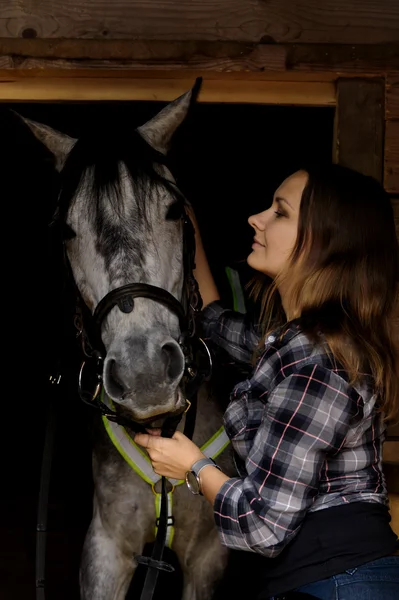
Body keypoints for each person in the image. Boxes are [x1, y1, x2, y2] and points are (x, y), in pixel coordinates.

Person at [134, 164, 399, 599]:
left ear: (322, 240)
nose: (256, 218)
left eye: (280, 212)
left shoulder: (319, 363)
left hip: (337, 582)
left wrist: (193, 468)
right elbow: (213, 321)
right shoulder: (293, 343)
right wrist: (186, 226)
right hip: (325, 579)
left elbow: (262, 527)